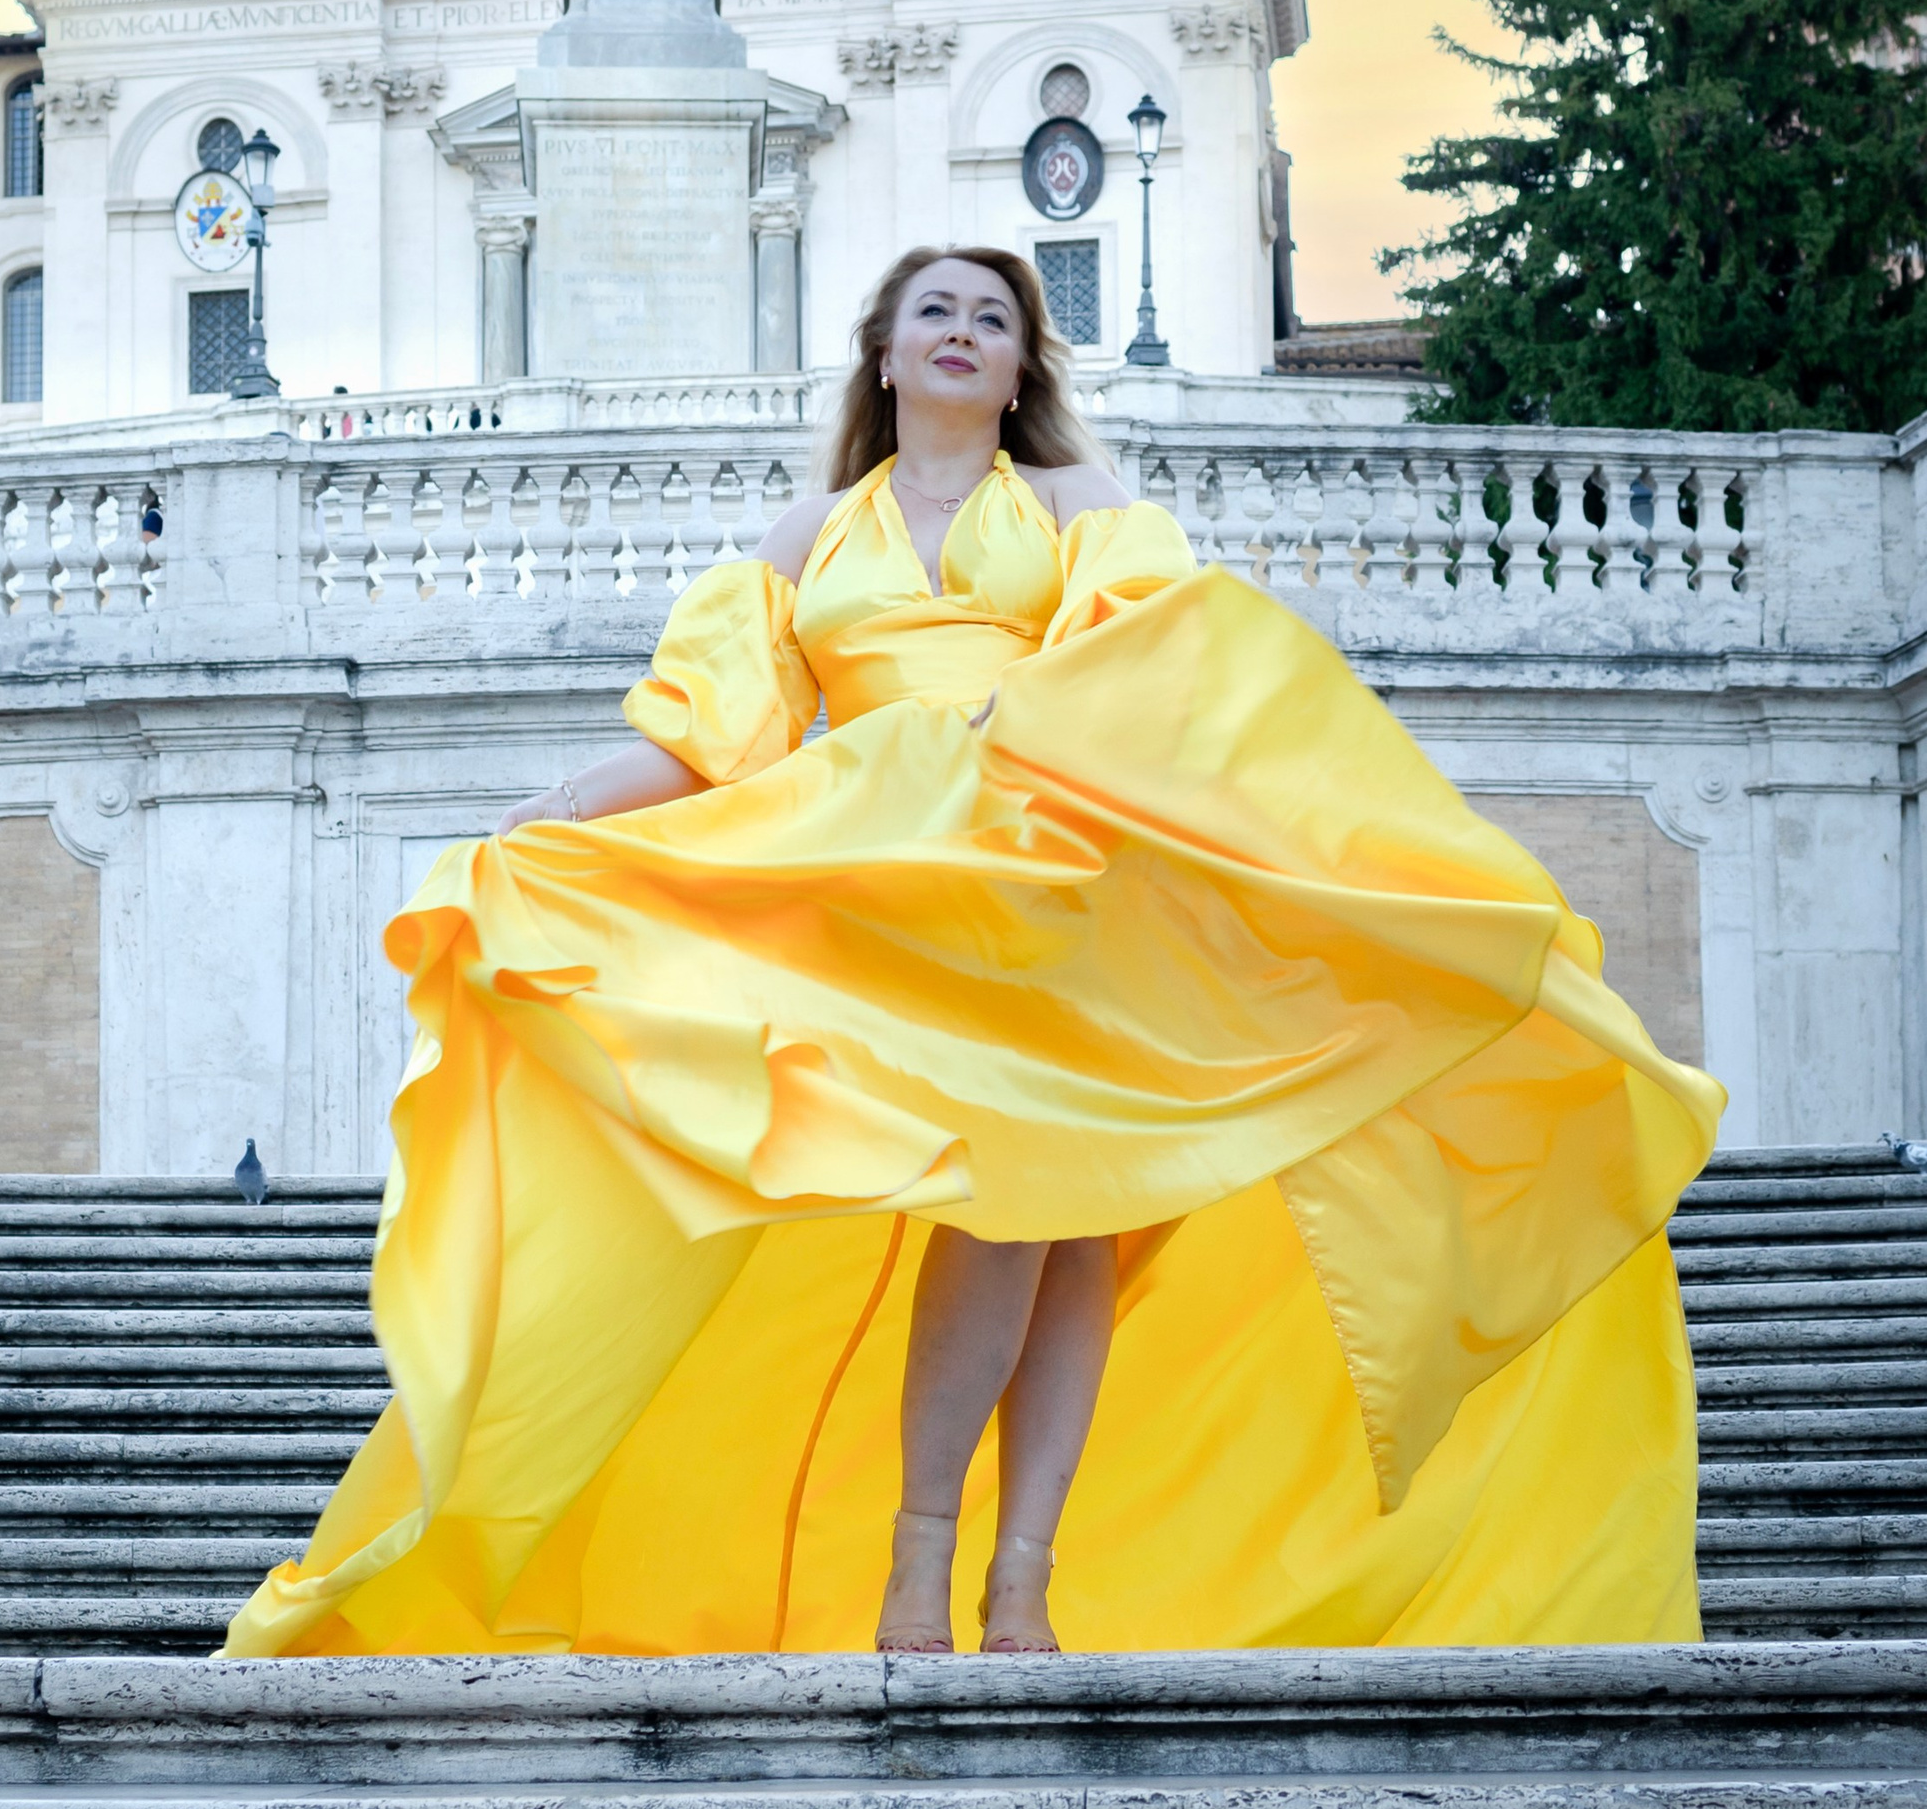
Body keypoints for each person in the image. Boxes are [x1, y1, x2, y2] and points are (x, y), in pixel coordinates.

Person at [227, 247, 1720, 1663]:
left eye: (992, 319)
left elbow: (1154, 673)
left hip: (1047, 876)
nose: (961, 330)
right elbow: (705, 735)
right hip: (885, 879)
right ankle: (928, 1556)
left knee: (1072, 1215)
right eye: (933, 309)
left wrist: (1024, 734)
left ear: (1017, 372)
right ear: (884, 352)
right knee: (1012, 1203)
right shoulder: (810, 540)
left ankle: (1014, 1575)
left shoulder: (1078, 498)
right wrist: (548, 812)